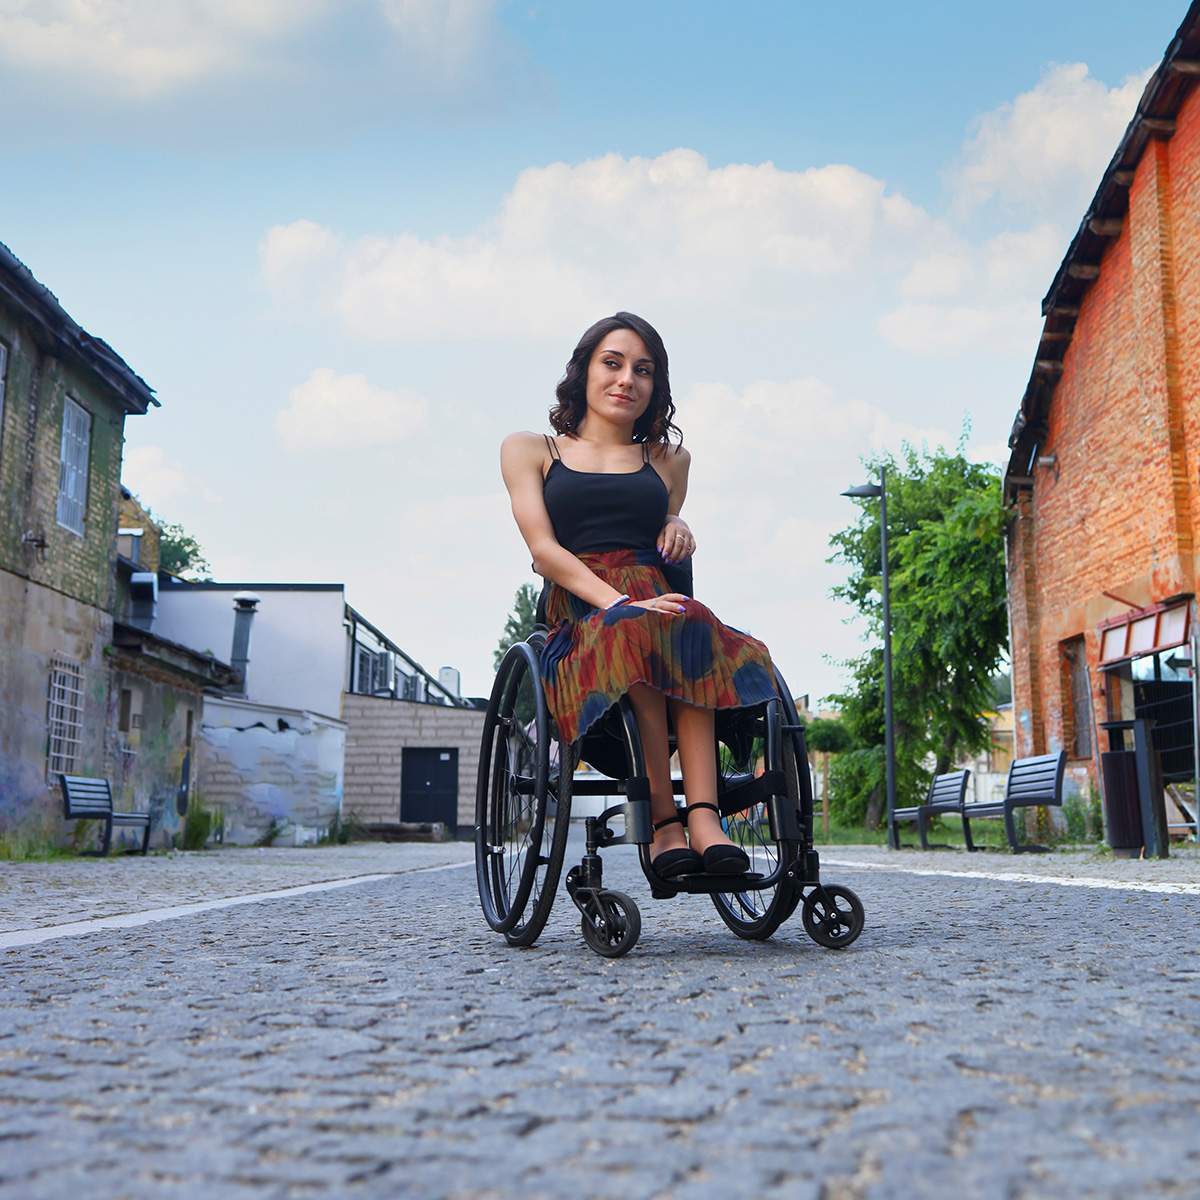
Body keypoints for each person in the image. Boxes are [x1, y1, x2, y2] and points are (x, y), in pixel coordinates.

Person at [500, 312, 779, 878]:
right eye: (613, 363)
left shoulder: (669, 460)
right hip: (581, 610)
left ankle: (703, 818)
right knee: (643, 628)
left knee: (690, 618)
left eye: (643, 369)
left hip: (660, 602)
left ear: (657, 385)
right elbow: (543, 551)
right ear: (584, 373)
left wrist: (677, 523)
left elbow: (664, 520)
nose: (627, 378)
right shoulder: (532, 449)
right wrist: (619, 605)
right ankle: (663, 822)